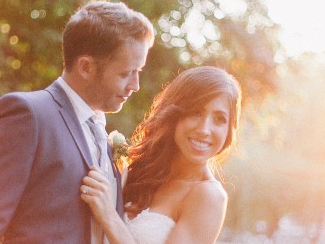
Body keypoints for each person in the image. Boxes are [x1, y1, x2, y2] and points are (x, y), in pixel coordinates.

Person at [0, 0, 154, 244]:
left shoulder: (106, 141)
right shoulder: (27, 116)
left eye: (138, 72)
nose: (135, 85)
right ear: (86, 67)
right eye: (126, 73)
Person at [80, 66, 242, 244]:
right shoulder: (139, 169)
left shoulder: (208, 195)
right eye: (196, 113)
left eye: (219, 119)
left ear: (229, 130)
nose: (204, 129)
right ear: (175, 114)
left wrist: (109, 216)